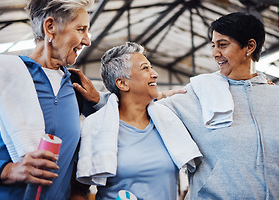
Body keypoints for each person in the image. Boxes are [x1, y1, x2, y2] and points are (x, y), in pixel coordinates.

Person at [0, 0, 99, 199]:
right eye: (80, 29)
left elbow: (81, 155)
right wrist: (9, 171)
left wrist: (78, 192)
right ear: (50, 27)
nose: (87, 40)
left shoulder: (76, 87)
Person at [156, 12, 279, 199]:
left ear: (250, 46)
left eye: (222, 45)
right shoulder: (198, 92)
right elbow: (142, 111)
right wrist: (159, 96)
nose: (215, 53)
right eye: (213, 46)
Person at [73, 42, 202, 200]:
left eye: (151, 67)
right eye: (145, 68)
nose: (155, 74)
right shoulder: (97, 127)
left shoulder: (169, 123)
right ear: (122, 83)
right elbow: (77, 191)